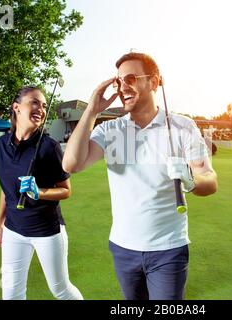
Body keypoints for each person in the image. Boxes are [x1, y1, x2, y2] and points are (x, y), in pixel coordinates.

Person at [63, 52, 218, 300]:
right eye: (118, 81)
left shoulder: (182, 126)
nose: (123, 87)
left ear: (154, 82)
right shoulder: (111, 129)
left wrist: (190, 179)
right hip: (123, 249)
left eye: (131, 78)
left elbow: (209, 180)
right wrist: (91, 110)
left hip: (168, 249)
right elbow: (71, 164)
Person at [0, 86, 83, 300]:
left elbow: (66, 190)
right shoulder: (2, 144)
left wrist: (39, 192)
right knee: (11, 293)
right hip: (14, 230)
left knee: (60, 289)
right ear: (17, 108)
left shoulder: (48, 147)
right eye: (34, 102)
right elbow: (6, 190)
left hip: (46, 231)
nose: (41, 109)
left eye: (43, 105)